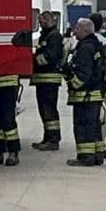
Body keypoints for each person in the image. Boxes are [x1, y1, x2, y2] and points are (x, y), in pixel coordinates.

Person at [63, 18, 106, 167]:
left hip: (84, 97)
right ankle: (97, 155)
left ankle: (85, 157)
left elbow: (82, 75)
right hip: (94, 95)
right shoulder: (95, 45)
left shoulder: (85, 48)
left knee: (83, 127)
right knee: (94, 127)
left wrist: (68, 76)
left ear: (86, 31)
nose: (74, 31)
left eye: (77, 28)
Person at [30, 10, 66, 151]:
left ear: (49, 20)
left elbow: (50, 56)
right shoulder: (45, 35)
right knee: (44, 110)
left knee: (49, 110)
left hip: (49, 79)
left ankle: (53, 140)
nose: (40, 24)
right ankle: (47, 138)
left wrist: (33, 61)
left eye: (42, 21)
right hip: (42, 80)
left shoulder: (54, 36)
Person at [88, 13, 106, 160]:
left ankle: (90, 148)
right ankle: (100, 147)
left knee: (90, 120)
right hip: (105, 88)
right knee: (104, 119)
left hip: (88, 89)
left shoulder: (82, 42)